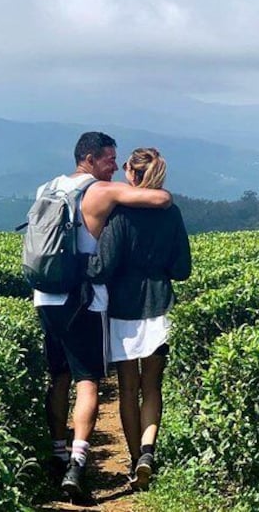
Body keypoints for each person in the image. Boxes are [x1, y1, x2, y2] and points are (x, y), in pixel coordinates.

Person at [32, 132, 172, 498]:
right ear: (90, 159)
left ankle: (57, 452)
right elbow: (158, 198)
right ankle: (77, 467)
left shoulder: (47, 188)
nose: (114, 165)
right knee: (88, 382)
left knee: (58, 376)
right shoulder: (100, 191)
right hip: (81, 299)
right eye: (110, 159)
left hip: (45, 295)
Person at [87, 147, 191, 491]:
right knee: (153, 387)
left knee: (128, 389)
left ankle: (135, 462)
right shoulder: (171, 213)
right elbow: (182, 269)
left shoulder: (120, 215)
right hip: (159, 306)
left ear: (131, 174)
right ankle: (149, 451)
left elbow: (103, 267)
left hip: (123, 309)